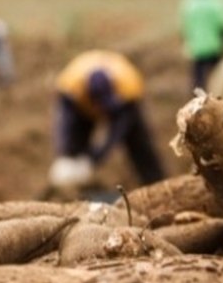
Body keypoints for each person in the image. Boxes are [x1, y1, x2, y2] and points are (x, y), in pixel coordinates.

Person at [50, 50, 165, 189]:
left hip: (121, 105)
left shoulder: (128, 85)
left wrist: (99, 155)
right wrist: (67, 152)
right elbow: (66, 125)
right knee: (73, 144)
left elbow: (119, 129)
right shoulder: (71, 86)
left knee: (139, 144)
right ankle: (73, 189)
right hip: (81, 107)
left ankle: (156, 184)